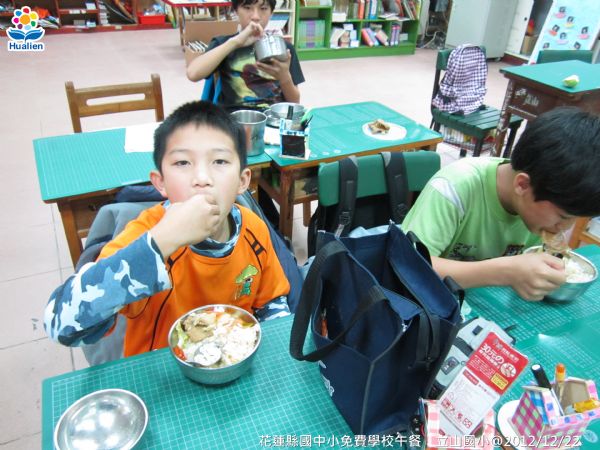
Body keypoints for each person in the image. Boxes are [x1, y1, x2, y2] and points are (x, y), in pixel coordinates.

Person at [44, 101, 291, 357]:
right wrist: (162, 241)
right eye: (183, 163)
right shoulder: (146, 235)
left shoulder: (253, 230)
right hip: (161, 373)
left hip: (231, 362)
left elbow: (271, 302)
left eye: (219, 160)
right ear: (160, 182)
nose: (202, 179)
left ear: (242, 181)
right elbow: (59, 324)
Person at [402, 107, 600, 301]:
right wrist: (505, 272)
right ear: (522, 185)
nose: (565, 228)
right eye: (563, 216)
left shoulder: (544, 206)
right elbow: (406, 265)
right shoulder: (455, 187)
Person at [186, 0, 305, 111]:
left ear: (271, 13)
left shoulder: (284, 48)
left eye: (263, 8)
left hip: (272, 118)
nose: (255, 16)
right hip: (231, 119)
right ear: (235, 11)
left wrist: (284, 76)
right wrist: (235, 42)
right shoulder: (224, 44)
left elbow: (294, 103)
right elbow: (192, 73)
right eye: (247, 8)